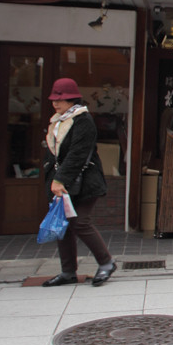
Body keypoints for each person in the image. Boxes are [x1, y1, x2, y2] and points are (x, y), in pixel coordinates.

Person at [42, 78, 115, 287]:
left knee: (80, 221)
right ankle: (68, 271)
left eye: (61, 99)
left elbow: (78, 154)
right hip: (64, 182)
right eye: (54, 99)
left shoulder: (83, 120)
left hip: (84, 182)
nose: (56, 103)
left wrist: (59, 179)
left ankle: (106, 262)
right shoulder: (57, 121)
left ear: (72, 100)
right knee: (62, 225)